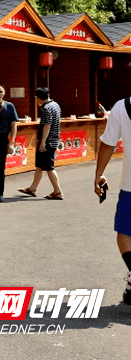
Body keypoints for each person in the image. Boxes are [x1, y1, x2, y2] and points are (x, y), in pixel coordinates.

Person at [95, 95, 131, 306]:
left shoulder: (122, 107)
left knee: (125, 235)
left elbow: (108, 143)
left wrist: (99, 174)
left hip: (130, 186)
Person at [18, 87, 64, 199]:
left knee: (49, 167)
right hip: (54, 139)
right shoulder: (55, 105)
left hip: (47, 141)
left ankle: (58, 191)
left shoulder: (47, 108)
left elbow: (47, 125)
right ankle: (33, 187)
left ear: (37, 97)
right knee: (39, 165)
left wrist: (42, 142)